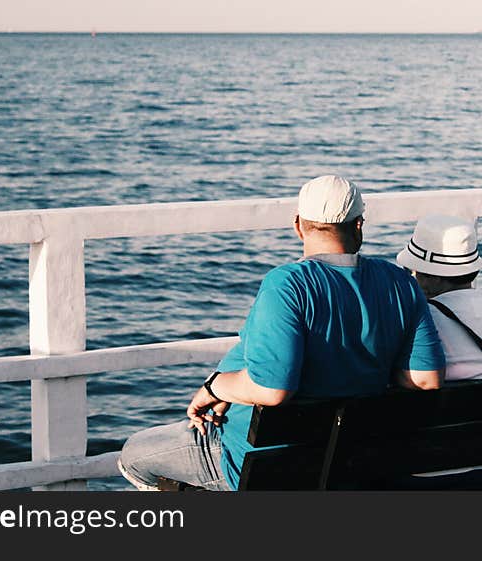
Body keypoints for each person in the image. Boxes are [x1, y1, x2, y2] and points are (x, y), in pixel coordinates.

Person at [119, 175, 446, 490]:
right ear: (359, 224)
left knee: (133, 454)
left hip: (264, 463)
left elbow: (272, 390)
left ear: (298, 226)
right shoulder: (400, 282)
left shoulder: (288, 284)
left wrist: (214, 386)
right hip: (354, 459)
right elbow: (425, 379)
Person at [396, 213, 482, 381]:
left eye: (411, 270)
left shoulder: (427, 315)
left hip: (452, 404)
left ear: (432, 278)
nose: (412, 277)